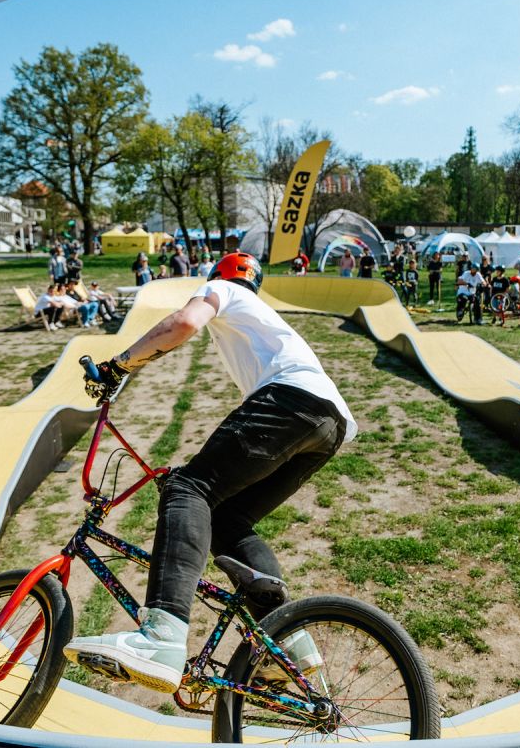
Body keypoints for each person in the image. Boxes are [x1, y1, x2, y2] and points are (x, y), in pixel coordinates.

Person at [64, 252, 355, 692]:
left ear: (219, 277)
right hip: (329, 426)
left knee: (187, 487)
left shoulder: (226, 290)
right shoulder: (260, 318)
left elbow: (182, 323)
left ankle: (161, 636)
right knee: (228, 520)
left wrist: (118, 363)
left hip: (292, 401)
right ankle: (289, 644)